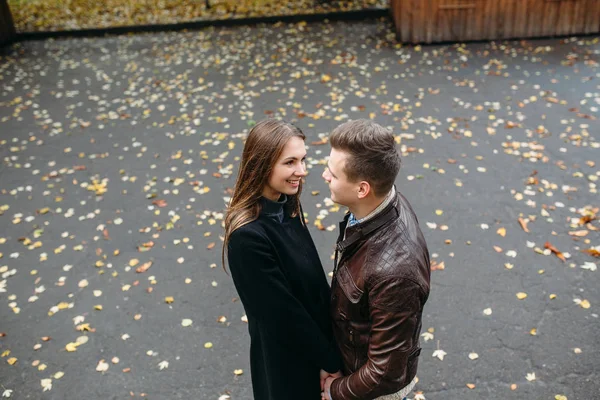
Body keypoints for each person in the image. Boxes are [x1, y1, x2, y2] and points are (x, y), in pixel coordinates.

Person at [223, 119, 342, 400]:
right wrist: (331, 363)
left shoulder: (286, 207)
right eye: (290, 162)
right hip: (289, 368)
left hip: (316, 352)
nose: (301, 171)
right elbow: (282, 317)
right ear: (262, 164)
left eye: (302, 160)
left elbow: (311, 289)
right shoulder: (248, 237)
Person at [320, 119, 431, 400]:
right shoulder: (382, 202)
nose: (324, 176)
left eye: (333, 173)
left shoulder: (394, 272)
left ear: (362, 189)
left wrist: (335, 390)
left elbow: (383, 373)